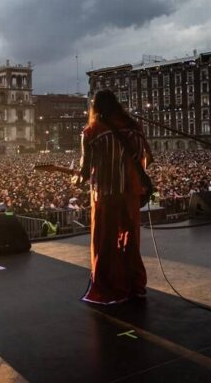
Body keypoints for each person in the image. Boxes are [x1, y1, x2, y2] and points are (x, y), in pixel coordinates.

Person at [78, 89, 153, 304]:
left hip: (106, 194)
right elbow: (147, 159)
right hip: (131, 194)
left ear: (96, 107)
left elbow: (84, 171)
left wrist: (76, 179)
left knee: (105, 241)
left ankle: (109, 289)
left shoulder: (92, 131)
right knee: (131, 240)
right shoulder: (135, 129)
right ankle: (135, 286)